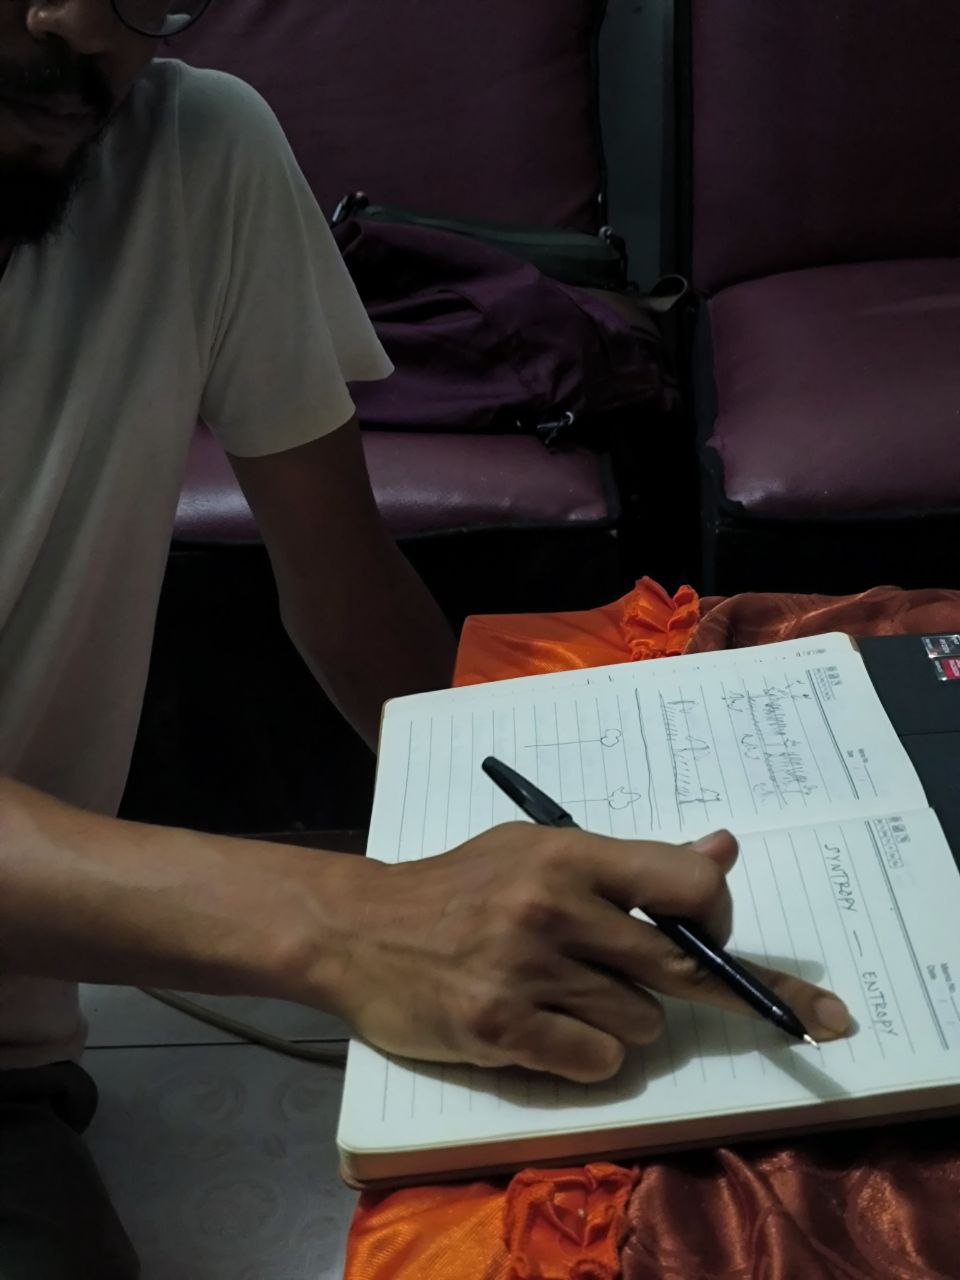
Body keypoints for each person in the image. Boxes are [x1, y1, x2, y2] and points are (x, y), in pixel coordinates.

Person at [0, 2, 851, 1275]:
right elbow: (350, 920)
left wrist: (531, 855)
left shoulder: (191, 148)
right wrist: (352, 921)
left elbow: (344, 590)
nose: (79, 22)